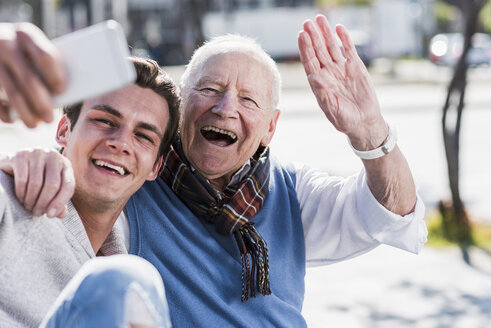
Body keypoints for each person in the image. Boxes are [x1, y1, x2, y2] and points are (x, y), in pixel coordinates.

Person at [3, 15, 427, 327]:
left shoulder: (292, 192)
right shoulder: (141, 178)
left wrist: (371, 132)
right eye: (208, 89)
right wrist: (36, 159)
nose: (225, 109)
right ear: (183, 105)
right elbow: (89, 161)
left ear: (270, 128)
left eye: (248, 100)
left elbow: (390, 214)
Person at [0, 37, 180, 327]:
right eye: (105, 121)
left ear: (156, 167)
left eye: (144, 136)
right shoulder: (10, 192)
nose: (121, 143)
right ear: (64, 131)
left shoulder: (130, 239)